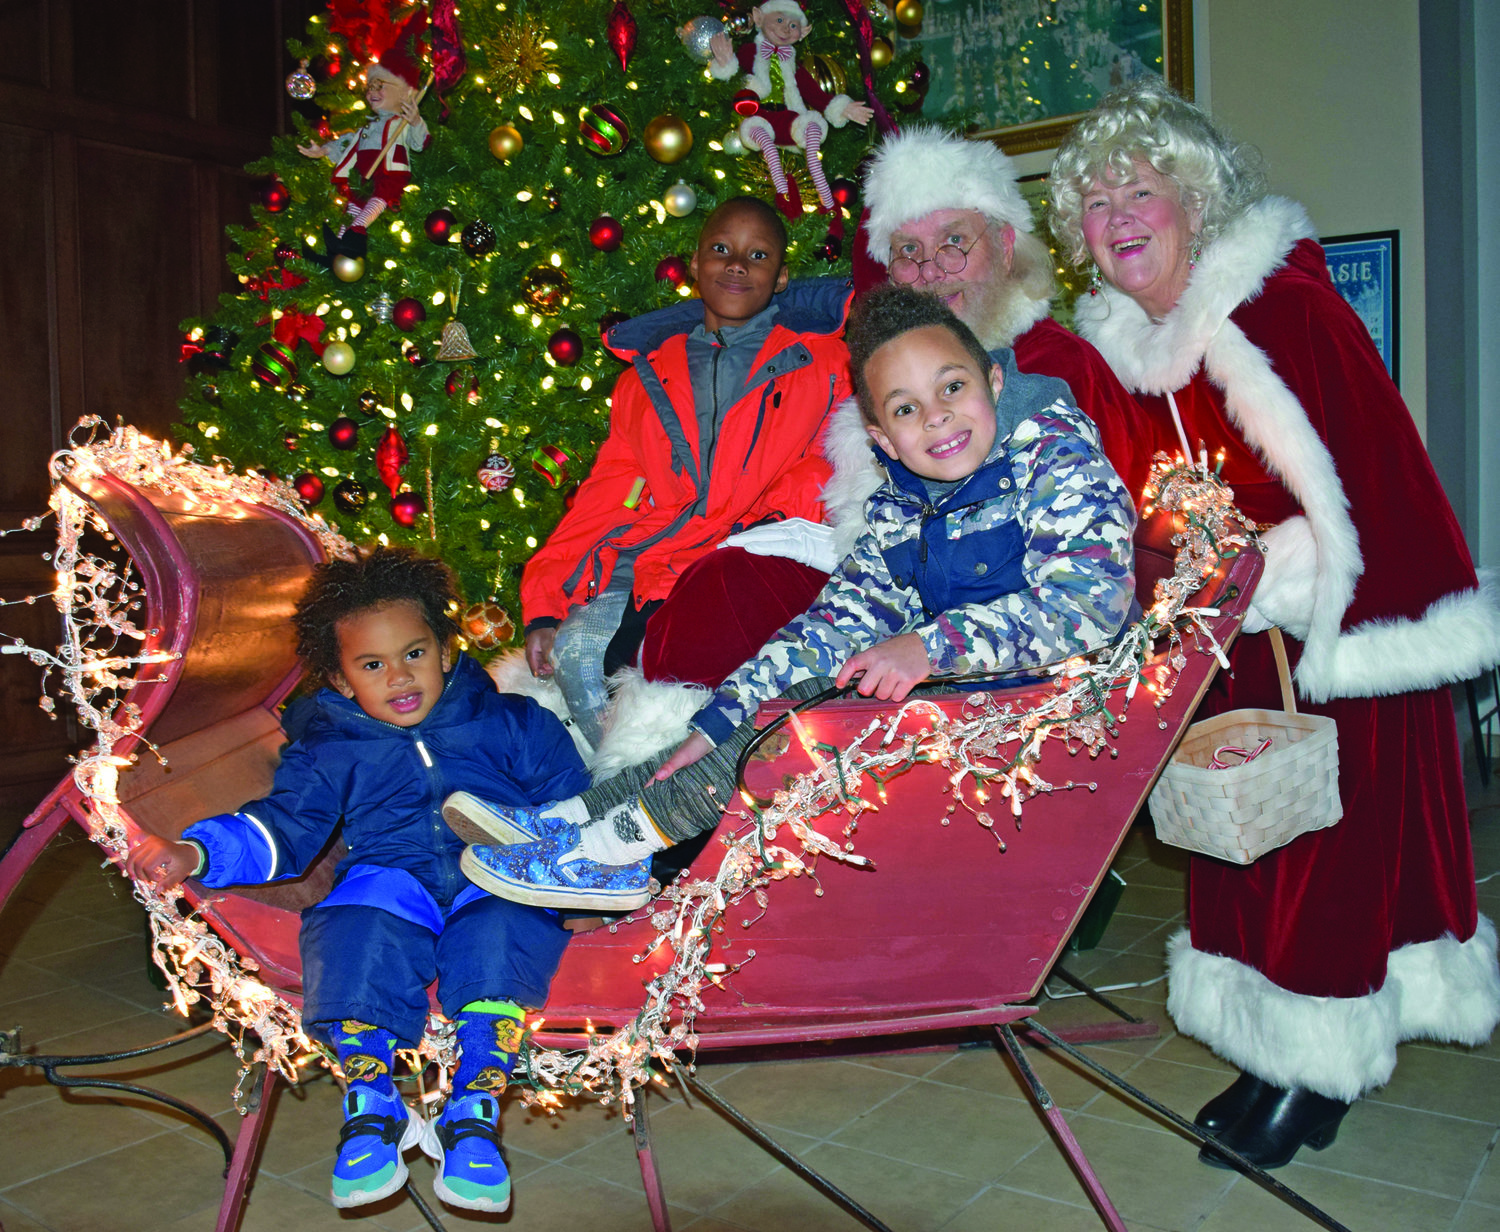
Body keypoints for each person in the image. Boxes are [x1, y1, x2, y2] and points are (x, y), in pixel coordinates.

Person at [1049, 78, 1500, 1170]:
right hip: (1223, 636)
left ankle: (1319, 1066)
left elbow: (1368, 480)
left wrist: (1273, 573)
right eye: (1096, 202)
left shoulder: (1277, 310)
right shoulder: (1124, 348)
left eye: (1140, 191)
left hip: (1333, 640)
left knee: (1327, 859)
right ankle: (1268, 1048)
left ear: (1194, 202)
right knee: (1242, 845)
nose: (1118, 218)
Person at [449, 285, 1136, 913]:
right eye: (906, 409)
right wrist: (720, 716)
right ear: (881, 438)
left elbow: (1089, 603)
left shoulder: (1052, 451)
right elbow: (840, 617)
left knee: (815, 730)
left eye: (952, 387)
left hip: (1046, 715)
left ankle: (616, 851)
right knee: (798, 687)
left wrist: (927, 643)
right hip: (966, 697)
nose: (937, 419)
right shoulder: (905, 497)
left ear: (993, 378)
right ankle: (591, 816)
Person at [124, 549, 589, 1214]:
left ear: (446, 650)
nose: (398, 676)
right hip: (392, 872)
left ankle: (473, 1109)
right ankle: (372, 1105)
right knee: (350, 926)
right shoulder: (329, 746)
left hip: (495, 869)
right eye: (372, 665)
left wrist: (578, 889)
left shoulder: (512, 722)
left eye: (414, 653)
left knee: (505, 930)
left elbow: (573, 806)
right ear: (343, 682)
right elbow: (283, 828)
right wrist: (195, 854)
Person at [520, 196, 853, 744]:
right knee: (579, 662)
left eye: (758, 254)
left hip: (754, 563)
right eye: (721, 249)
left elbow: (834, 467)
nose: (737, 264)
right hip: (660, 563)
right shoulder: (645, 379)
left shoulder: (824, 364)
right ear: (695, 264)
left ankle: (656, 807)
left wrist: (761, 528)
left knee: (687, 701)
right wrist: (544, 603)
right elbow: (608, 495)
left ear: (782, 277)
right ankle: (613, 806)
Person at [857, 123, 1153, 503]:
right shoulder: (878, 386)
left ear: (1005, 247)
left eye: (954, 241)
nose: (930, 270)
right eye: (909, 251)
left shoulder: (1060, 367)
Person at [707, 1, 873, 227]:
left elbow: (814, 94)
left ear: (802, 33)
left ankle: (827, 200)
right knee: (763, 139)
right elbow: (733, 76)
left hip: (789, 121)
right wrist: (726, 62)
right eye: (779, 20)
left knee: (813, 131)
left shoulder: (792, 64)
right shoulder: (750, 52)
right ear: (758, 18)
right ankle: (786, 199)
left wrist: (843, 107)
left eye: (794, 25)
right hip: (761, 118)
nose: (786, 28)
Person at [298, 30, 429, 262]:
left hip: (389, 175)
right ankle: (335, 252)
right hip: (363, 175)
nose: (372, 93)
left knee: (378, 199)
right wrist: (324, 150)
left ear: (403, 93)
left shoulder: (401, 123)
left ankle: (355, 238)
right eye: (369, 87)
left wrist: (416, 121)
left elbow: (420, 143)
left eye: (380, 86)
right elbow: (347, 143)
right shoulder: (368, 126)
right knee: (353, 204)